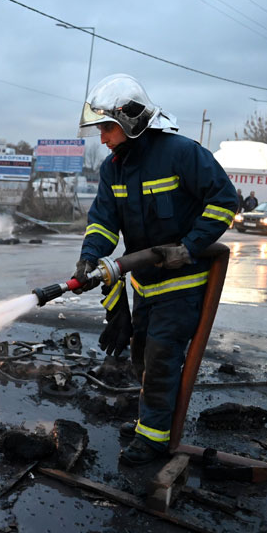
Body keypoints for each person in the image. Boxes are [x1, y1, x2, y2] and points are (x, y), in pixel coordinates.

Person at [71, 74, 237, 465]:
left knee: (162, 359)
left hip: (183, 284)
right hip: (144, 285)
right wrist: (89, 256)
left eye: (107, 128)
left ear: (131, 122)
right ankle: (151, 422)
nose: (103, 138)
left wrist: (189, 247)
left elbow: (224, 201)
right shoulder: (114, 169)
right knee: (142, 358)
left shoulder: (181, 153)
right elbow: (103, 221)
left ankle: (155, 441)